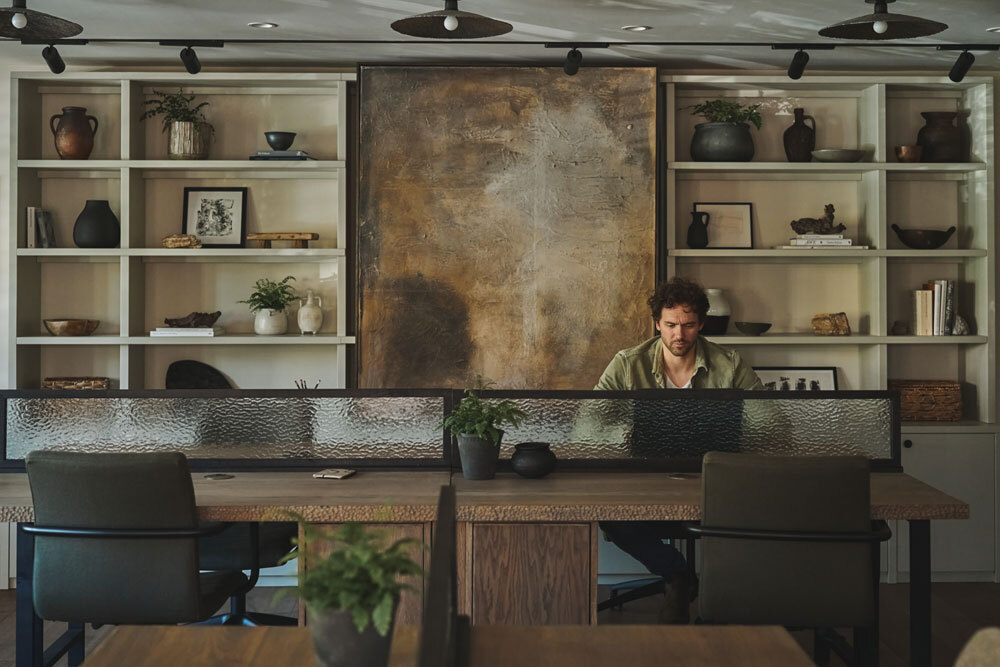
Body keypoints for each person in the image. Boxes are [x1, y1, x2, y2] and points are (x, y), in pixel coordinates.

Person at [595, 276, 762, 624]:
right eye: (670, 325)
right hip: (646, 482)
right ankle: (677, 574)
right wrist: (621, 434)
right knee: (607, 511)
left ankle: (727, 600)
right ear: (657, 323)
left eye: (688, 325)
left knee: (756, 506)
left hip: (714, 480)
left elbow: (773, 422)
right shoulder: (628, 363)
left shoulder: (729, 365)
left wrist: (733, 428)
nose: (679, 335)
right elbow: (587, 424)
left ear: (701, 323)